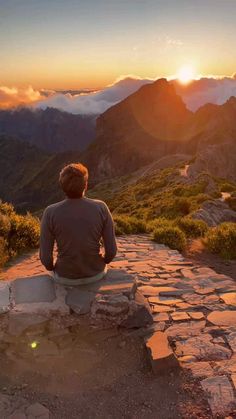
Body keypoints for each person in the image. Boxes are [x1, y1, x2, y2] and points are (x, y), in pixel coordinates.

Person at [40, 162, 117, 285]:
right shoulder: (101, 207)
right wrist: (101, 262)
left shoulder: (50, 212)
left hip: (64, 276)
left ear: (62, 185)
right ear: (85, 185)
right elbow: (112, 251)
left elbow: (45, 258)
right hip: (96, 274)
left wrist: (53, 268)